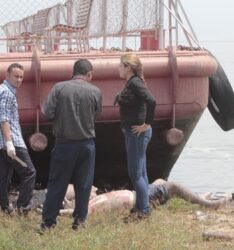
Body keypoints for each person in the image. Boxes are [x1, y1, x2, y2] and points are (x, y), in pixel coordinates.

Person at [41, 59, 102, 230]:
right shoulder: (95, 91)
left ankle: (48, 223)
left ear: (73, 72)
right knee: (84, 185)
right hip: (87, 145)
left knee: (57, 183)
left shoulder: (59, 88)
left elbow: (47, 113)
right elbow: (96, 114)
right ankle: (79, 222)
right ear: (89, 74)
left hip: (64, 144)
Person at [115, 53, 156, 220]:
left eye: (120, 65)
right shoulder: (132, 82)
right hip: (134, 133)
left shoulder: (135, 83)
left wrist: (147, 124)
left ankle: (143, 211)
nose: (118, 68)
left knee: (135, 174)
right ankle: (141, 206)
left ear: (128, 67)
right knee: (142, 172)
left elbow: (151, 101)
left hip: (137, 133)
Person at [57, 179, 228, 218]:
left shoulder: (92, 199)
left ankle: (197, 196)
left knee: (161, 180)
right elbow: (77, 212)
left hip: (136, 194)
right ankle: (208, 204)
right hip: (137, 198)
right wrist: (66, 210)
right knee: (172, 186)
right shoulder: (91, 206)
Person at [0, 63, 36, 215]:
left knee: (4, 176)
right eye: (16, 76)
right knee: (29, 172)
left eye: (21, 77)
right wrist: (9, 143)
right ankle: (23, 208)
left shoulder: (4, 90)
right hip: (12, 141)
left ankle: (5, 208)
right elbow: (4, 118)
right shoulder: (7, 92)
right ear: (7, 75)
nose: (19, 79)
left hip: (2, 144)